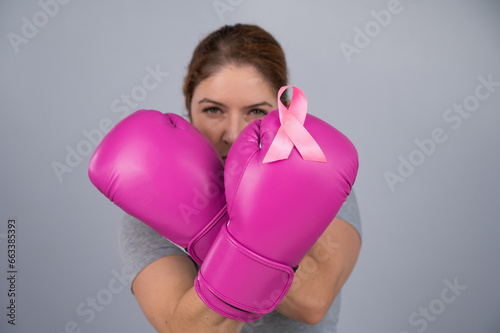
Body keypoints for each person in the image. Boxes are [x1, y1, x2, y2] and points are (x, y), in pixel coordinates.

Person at [117, 23, 362, 332]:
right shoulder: (147, 210)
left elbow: (312, 301)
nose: (233, 135)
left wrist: (218, 227)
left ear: (282, 112)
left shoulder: (320, 179)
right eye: (213, 110)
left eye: (256, 111)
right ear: (187, 110)